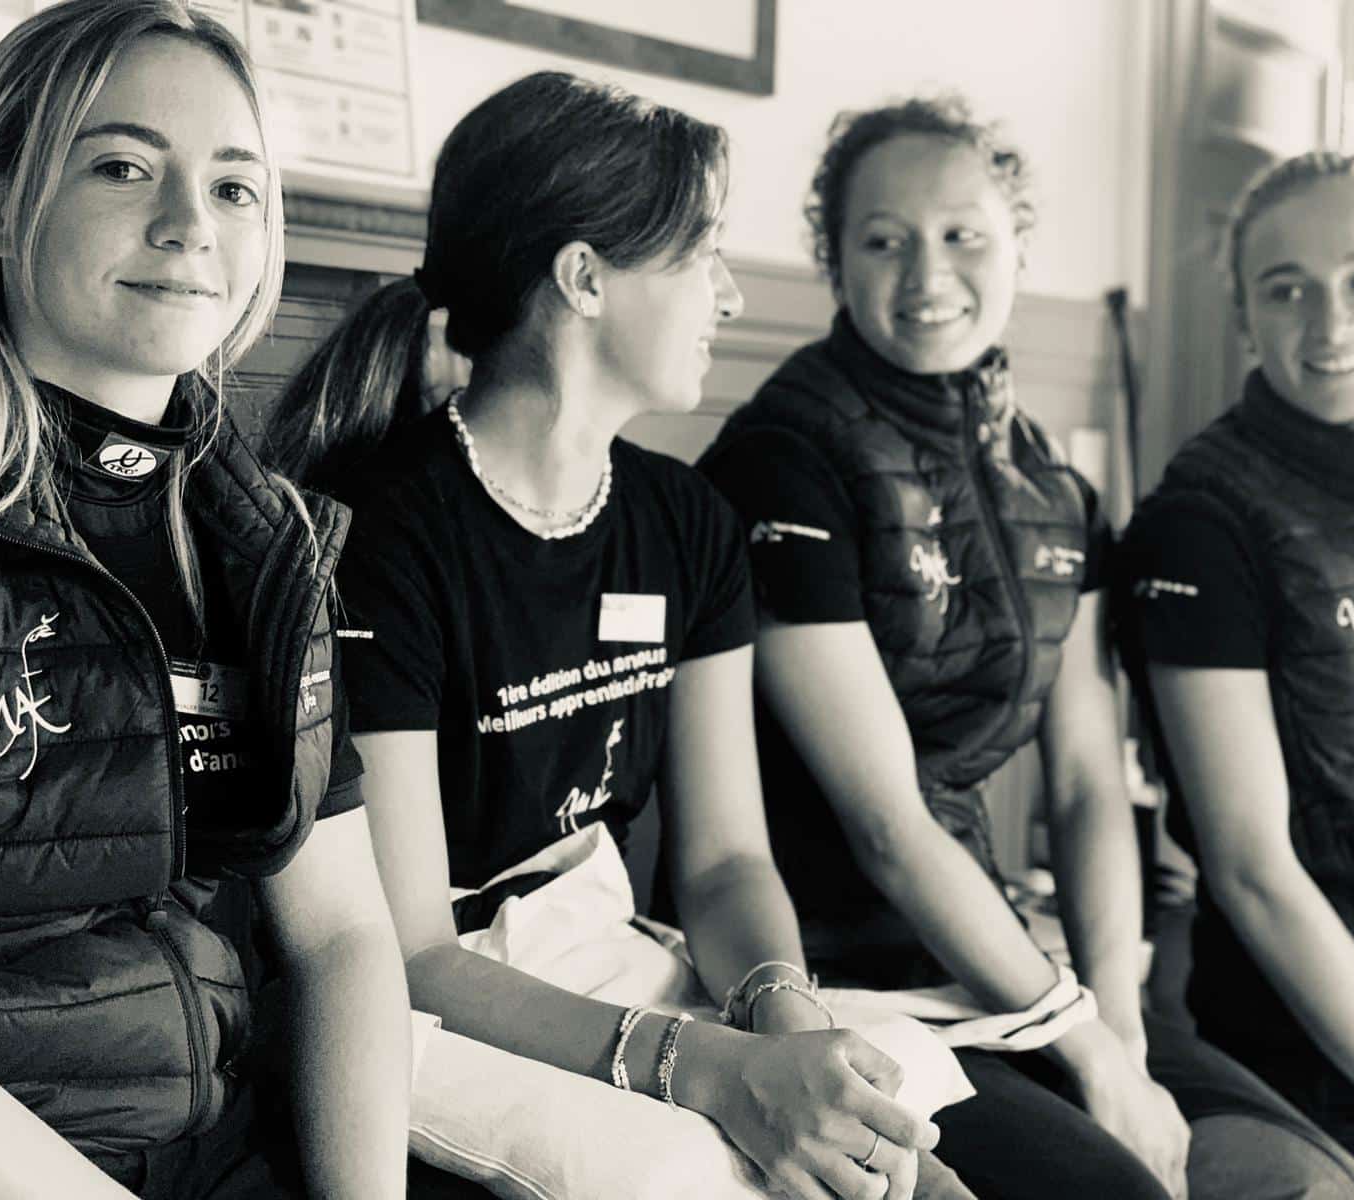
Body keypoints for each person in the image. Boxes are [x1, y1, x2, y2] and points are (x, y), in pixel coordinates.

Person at [268, 71, 958, 1200]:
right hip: (437, 1004)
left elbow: (726, 862)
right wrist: (709, 1069)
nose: (729, 296)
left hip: (612, 956)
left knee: (905, 1169)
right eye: (702, 256)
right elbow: (413, 949)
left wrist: (781, 1017)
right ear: (584, 278)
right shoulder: (382, 535)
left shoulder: (686, 520)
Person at [698, 96, 1354, 1200]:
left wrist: (1118, 1019)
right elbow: (885, 825)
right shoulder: (782, 461)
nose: (928, 274)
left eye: (963, 234)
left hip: (1006, 958)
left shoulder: (1051, 481)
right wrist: (1084, 1047)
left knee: (1313, 1187)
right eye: (884, 241)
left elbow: (1086, 784)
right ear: (835, 261)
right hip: (836, 977)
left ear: (1018, 240)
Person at [0, 3, 412, 1196]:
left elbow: (342, 937)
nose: (191, 224)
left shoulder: (266, 542)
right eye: (122, 167)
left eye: (234, 187)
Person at [1114, 149, 1354, 1200]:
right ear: (1246, 318)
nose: (1331, 323)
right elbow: (1251, 869)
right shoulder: (1200, 525)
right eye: (1286, 289)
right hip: (1332, 1072)